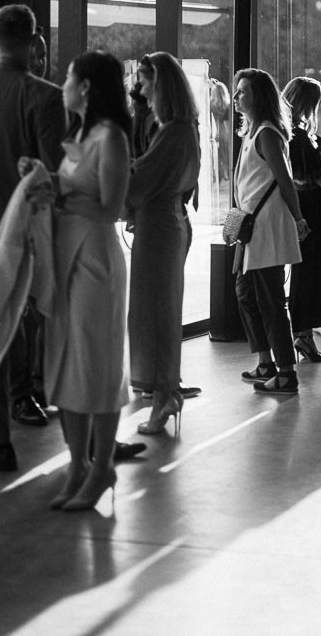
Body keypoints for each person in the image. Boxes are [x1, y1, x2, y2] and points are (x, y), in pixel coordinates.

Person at [20, 50, 131, 510]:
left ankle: (102, 466)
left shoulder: (112, 138)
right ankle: (78, 464)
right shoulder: (79, 133)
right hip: (66, 254)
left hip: (95, 260)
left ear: (85, 86)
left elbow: (112, 207)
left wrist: (57, 192)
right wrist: (44, 179)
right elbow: (73, 190)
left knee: (97, 362)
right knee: (66, 361)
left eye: (68, 77)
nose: (62, 84)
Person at [0, 4, 66, 472]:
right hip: (18, 229)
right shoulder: (44, 97)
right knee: (13, 319)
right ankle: (16, 411)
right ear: (34, 39)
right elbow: (52, 175)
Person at [126, 53, 201, 433]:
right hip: (166, 222)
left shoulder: (173, 132)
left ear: (161, 84)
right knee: (160, 311)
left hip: (158, 226)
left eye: (144, 79)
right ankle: (164, 394)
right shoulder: (182, 129)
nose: (139, 86)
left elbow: (140, 178)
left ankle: (163, 398)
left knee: (154, 314)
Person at [233, 69, 308, 395]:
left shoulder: (266, 133)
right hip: (253, 226)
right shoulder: (253, 132)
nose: (236, 97)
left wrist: (298, 218)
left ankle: (286, 371)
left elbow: (285, 180)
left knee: (270, 299)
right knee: (247, 292)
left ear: (258, 97)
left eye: (243, 92)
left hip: (266, 226)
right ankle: (267, 362)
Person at [281, 76, 321, 362]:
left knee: (303, 273)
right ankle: (303, 336)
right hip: (310, 211)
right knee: (311, 274)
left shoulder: (286, 133)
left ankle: (302, 335)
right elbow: (319, 172)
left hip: (299, 208)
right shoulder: (299, 137)